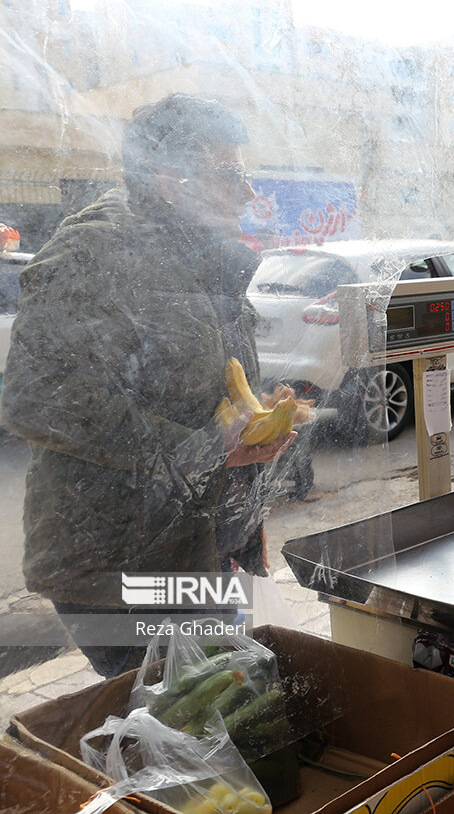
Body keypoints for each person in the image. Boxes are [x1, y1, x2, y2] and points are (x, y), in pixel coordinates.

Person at [0, 93, 293, 678]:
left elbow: (199, 383)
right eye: (228, 173)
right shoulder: (97, 250)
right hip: (120, 569)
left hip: (199, 547)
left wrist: (264, 416)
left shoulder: (199, 253)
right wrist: (209, 450)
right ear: (169, 180)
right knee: (189, 722)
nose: (247, 191)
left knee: (225, 708)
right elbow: (40, 399)